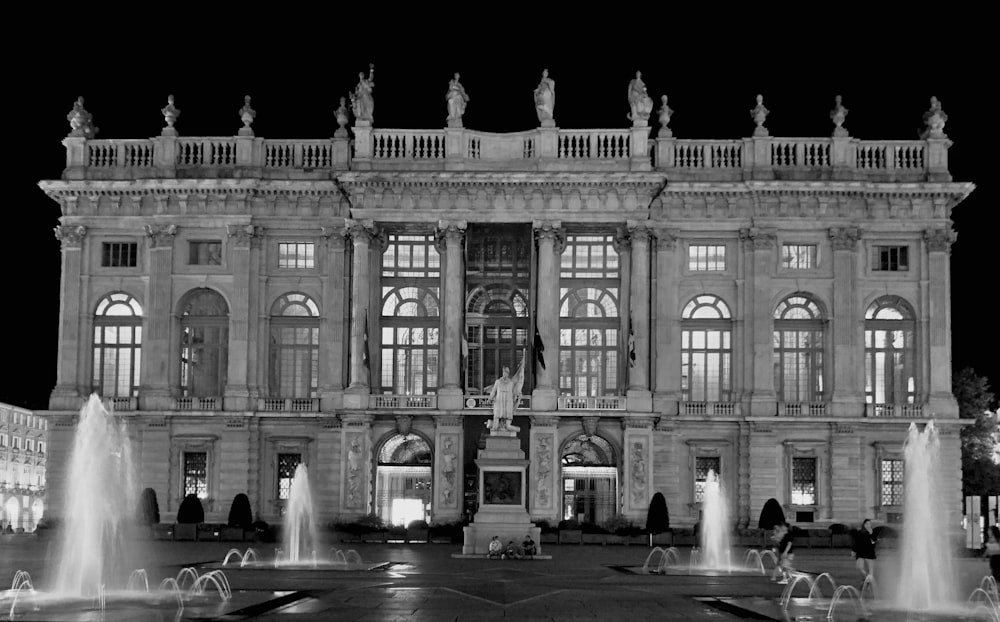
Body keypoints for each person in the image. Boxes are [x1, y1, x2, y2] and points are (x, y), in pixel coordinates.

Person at [488, 357, 525, 434]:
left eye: (507, 372)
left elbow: (514, 392)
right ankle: (496, 426)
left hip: (508, 401)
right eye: (504, 372)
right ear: (503, 373)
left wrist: (519, 395)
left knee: (508, 415)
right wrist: (490, 398)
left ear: (508, 373)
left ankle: (507, 426)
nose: (505, 373)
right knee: (497, 415)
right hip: (499, 400)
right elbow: (494, 390)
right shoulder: (498, 382)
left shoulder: (511, 383)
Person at [851, 518, 878, 582]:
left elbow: (874, 542)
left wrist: (871, 534)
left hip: (870, 553)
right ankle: (866, 579)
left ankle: (869, 583)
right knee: (860, 568)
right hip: (861, 553)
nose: (868, 525)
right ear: (864, 524)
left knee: (871, 570)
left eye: (869, 524)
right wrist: (853, 551)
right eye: (866, 524)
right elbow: (856, 542)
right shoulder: (860, 533)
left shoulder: (873, 533)